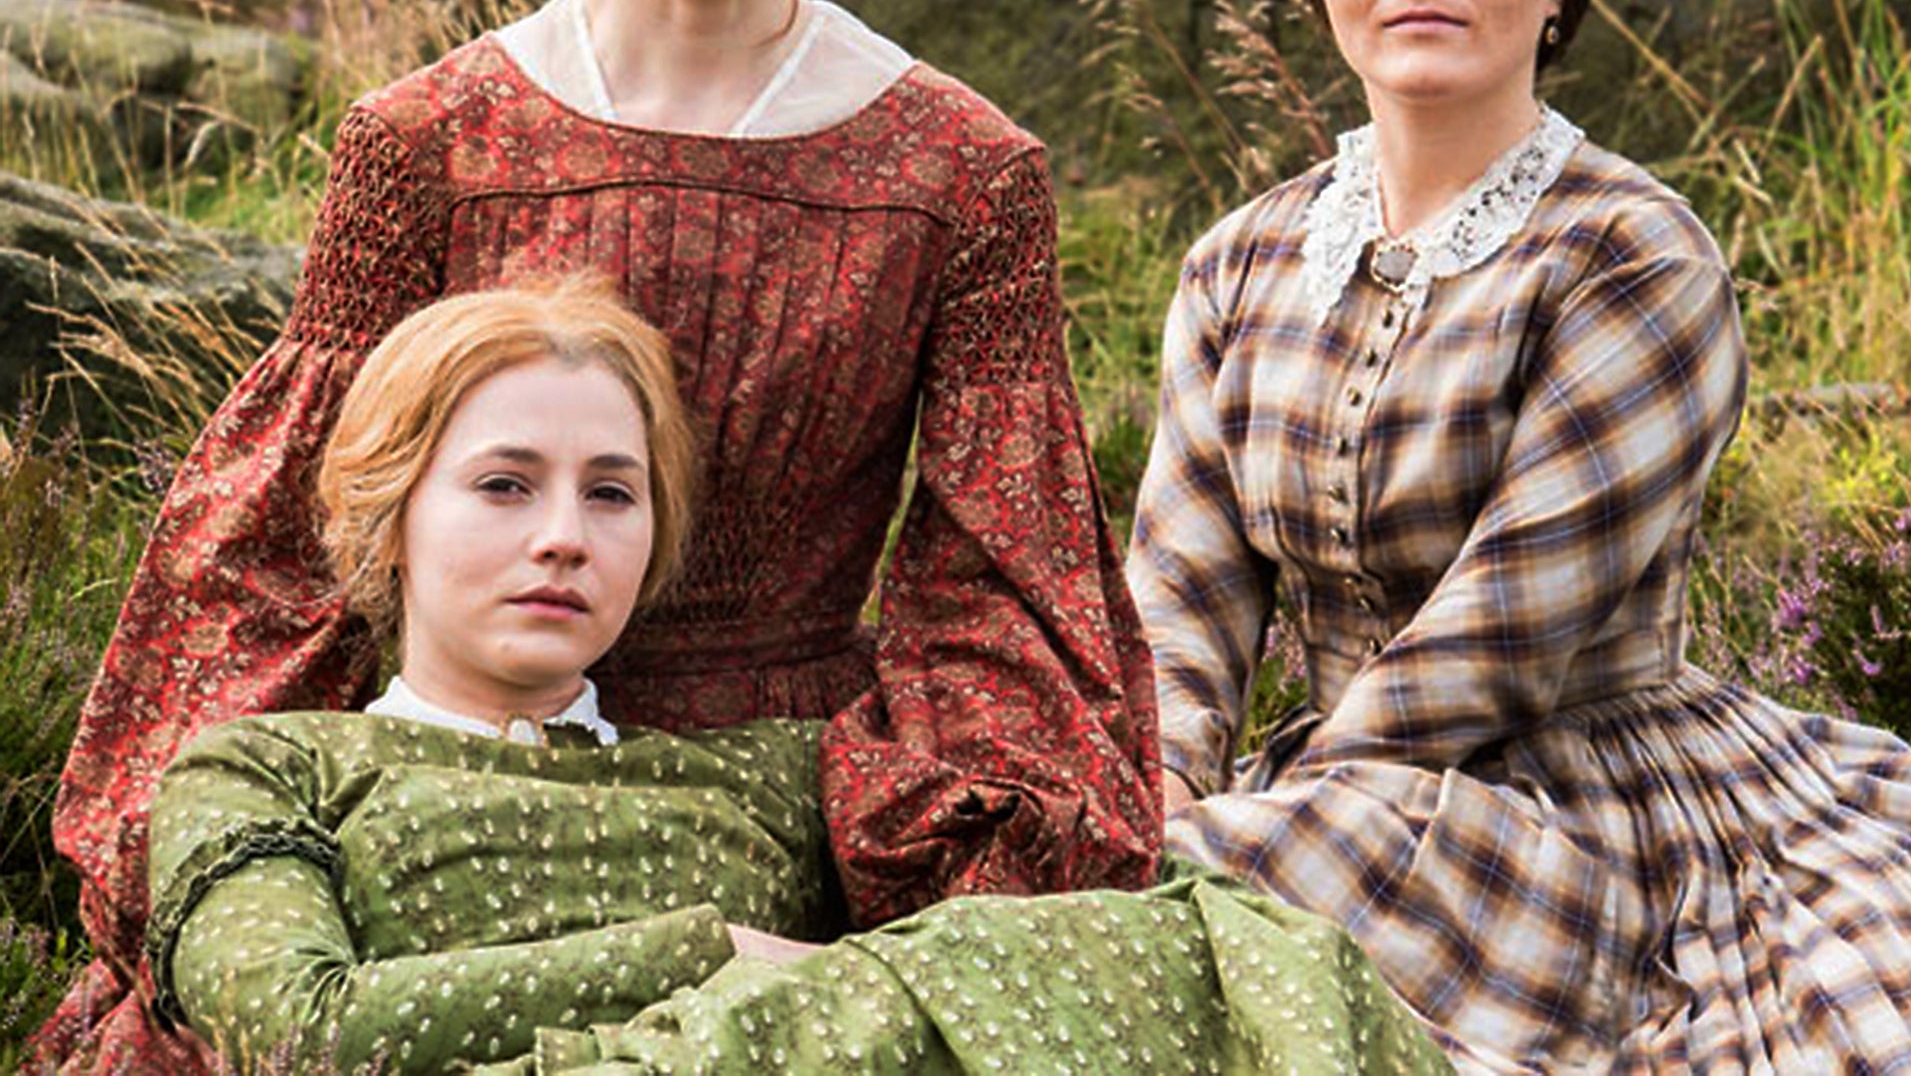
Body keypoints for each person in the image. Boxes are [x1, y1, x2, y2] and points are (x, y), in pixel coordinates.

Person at [39, 0, 1157, 1073]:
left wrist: (939, 866)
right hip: (442, 802)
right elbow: (284, 549)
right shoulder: (427, 142)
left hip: (776, 824)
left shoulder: (961, 177)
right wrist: (228, 835)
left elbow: (994, 591)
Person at [1127, 0, 1911, 1071]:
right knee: (1090, 869)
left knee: (1160, 896)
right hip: (1331, 796)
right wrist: (1143, 798)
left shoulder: (1632, 256)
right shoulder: (1242, 263)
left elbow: (1499, 646)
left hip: (1572, 804)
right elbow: (1176, 608)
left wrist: (1251, 817)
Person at [148, 279, 1451, 1075]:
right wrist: (712, 953)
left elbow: (1034, 900)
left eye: (613, 494)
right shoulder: (269, 766)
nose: (562, 535)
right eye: (503, 485)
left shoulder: (783, 765)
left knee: (1217, 927)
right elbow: (296, 1036)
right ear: (390, 511)